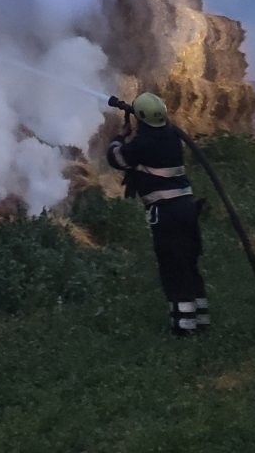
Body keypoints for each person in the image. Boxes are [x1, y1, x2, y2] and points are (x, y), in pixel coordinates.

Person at [107, 92, 207, 335]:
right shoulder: (172, 135)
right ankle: (201, 319)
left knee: (173, 265)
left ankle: (183, 327)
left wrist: (119, 137)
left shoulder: (143, 144)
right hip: (187, 208)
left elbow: (116, 159)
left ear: (141, 120)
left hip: (167, 211)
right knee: (189, 262)